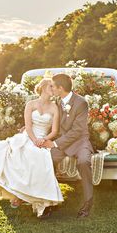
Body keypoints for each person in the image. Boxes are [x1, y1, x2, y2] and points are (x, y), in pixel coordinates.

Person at [0, 78, 63, 217]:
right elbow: (28, 126)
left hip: (43, 139)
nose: (53, 89)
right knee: (24, 151)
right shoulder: (31, 104)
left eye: (54, 87)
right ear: (42, 87)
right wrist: (35, 140)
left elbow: (54, 131)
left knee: (41, 156)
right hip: (28, 136)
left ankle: (39, 199)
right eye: (51, 86)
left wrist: (44, 140)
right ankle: (18, 193)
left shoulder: (54, 107)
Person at [42, 73, 94, 218]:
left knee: (84, 161)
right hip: (62, 144)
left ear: (60, 88)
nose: (51, 88)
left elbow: (78, 131)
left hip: (79, 142)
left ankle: (88, 203)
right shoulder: (57, 102)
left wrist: (55, 143)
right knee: (47, 160)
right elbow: (49, 121)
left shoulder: (81, 102)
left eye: (53, 86)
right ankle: (48, 202)